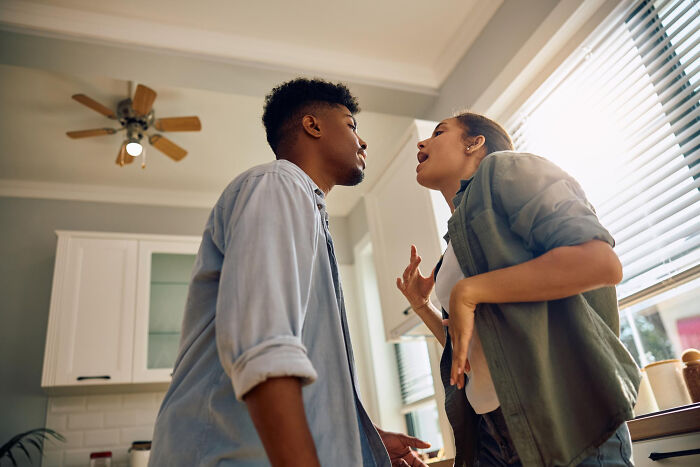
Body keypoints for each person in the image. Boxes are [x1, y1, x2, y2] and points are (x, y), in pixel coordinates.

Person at [150, 78, 430, 467]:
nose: (363, 142)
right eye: (352, 125)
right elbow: (264, 347)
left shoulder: (308, 211)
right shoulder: (278, 183)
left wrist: (364, 442)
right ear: (312, 125)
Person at [396, 113, 641, 466]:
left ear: (474, 142)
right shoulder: (456, 243)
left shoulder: (507, 168)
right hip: (495, 436)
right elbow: (472, 352)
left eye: (438, 133)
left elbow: (601, 263)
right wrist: (423, 306)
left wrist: (468, 291)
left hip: (564, 419)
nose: (422, 143)